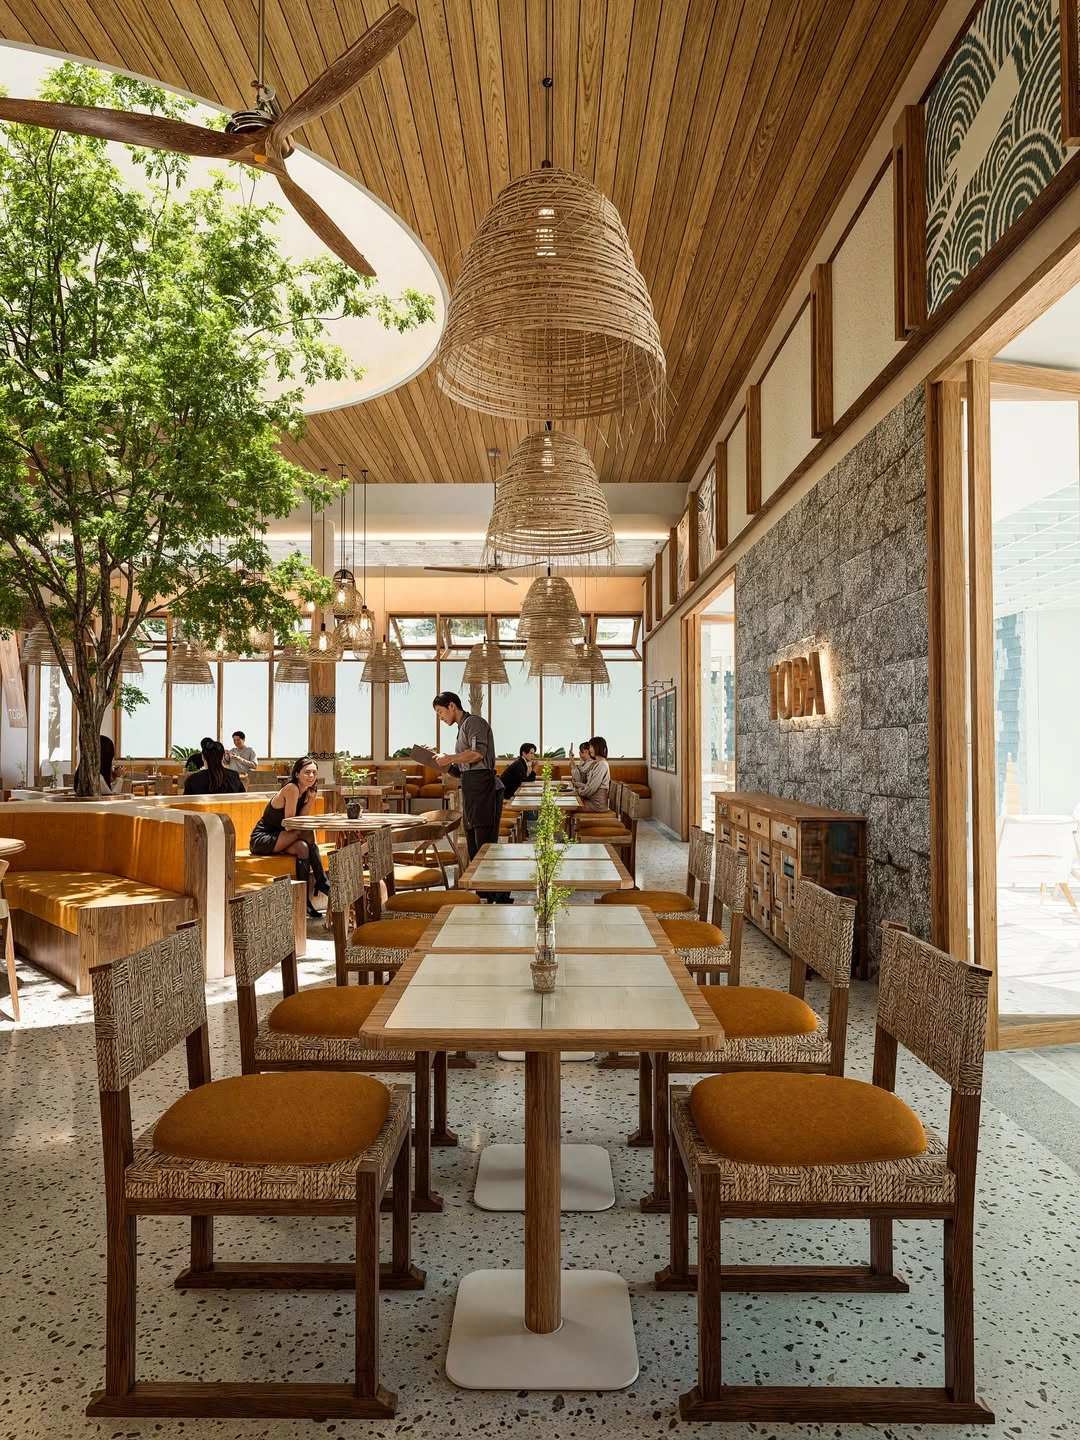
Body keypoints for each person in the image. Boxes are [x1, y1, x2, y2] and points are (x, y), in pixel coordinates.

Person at [431, 690, 510, 902]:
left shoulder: (474, 722)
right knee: (475, 845)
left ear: (452, 706)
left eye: (440, 712)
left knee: (485, 845)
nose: (440, 718)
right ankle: (484, 893)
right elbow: (462, 770)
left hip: (485, 788)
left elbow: (477, 754)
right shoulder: (461, 730)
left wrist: (450, 757)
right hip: (471, 788)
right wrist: (443, 763)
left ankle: (498, 894)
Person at [248, 756, 330, 918]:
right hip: (262, 838)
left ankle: (305, 902)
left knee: (303, 847)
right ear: (297, 773)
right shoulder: (291, 789)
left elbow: (300, 820)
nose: (311, 776)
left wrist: (310, 800)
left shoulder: (305, 791)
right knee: (306, 831)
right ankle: (322, 881)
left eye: (314, 772)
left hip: (282, 837)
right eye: (307, 772)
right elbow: (290, 825)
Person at [575, 734, 610, 812]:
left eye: (591, 747)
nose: (589, 750)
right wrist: (578, 785)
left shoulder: (602, 765)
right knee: (573, 802)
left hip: (597, 805)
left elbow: (592, 788)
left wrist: (579, 791)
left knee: (571, 806)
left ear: (597, 748)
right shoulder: (597, 764)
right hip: (592, 802)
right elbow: (590, 785)